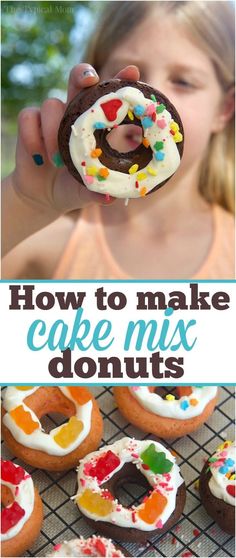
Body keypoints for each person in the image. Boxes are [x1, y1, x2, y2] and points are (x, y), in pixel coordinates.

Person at [2, 0, 235, 280]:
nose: (151, 94)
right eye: (131, 79)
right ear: (99, 86)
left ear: (225, 109)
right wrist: (24, 203)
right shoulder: (45, 241)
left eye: (183, 81)